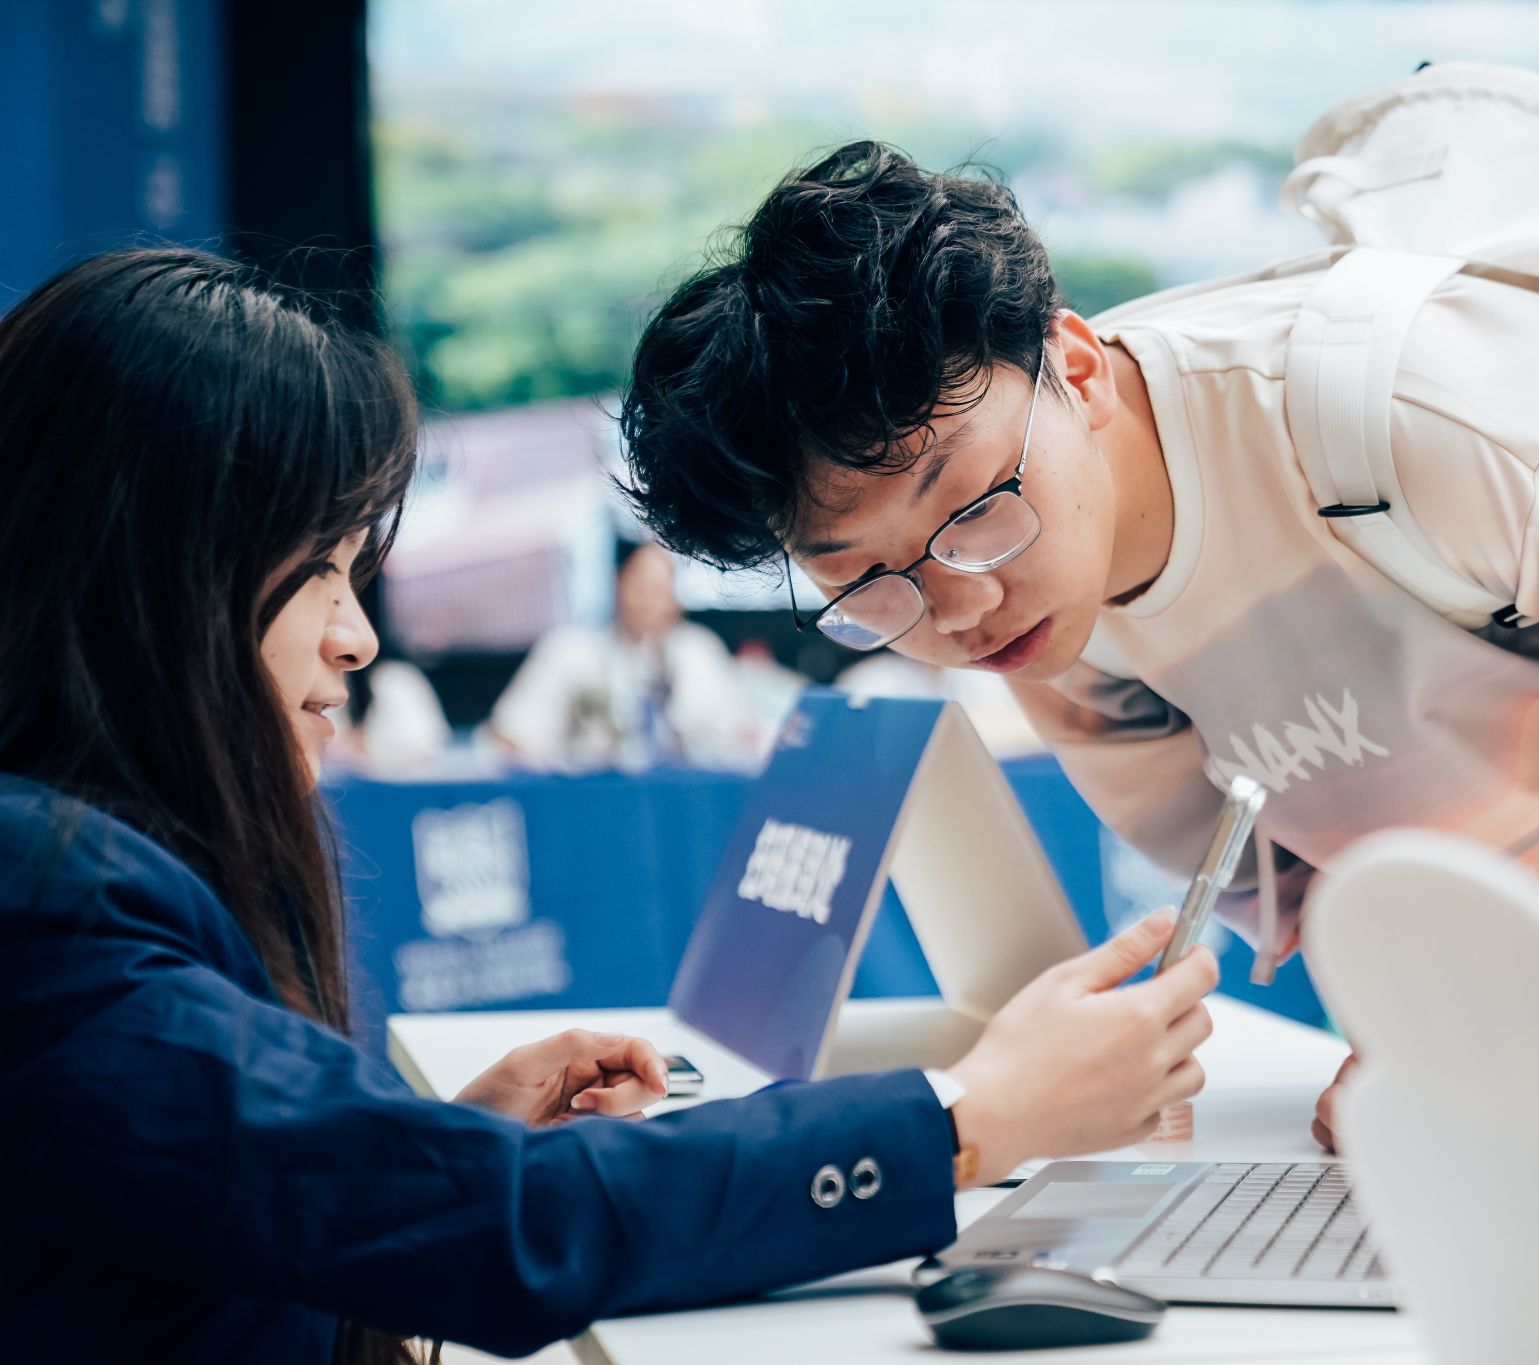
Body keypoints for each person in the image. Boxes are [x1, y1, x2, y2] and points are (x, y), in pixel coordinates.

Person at [612, 141, 1539, 1147]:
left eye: (971, 509)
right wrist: (1418, 1054)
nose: (959, 609)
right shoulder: (1056, 636)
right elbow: (1325, 880)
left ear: (1075, 365)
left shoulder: (1418, 415)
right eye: (869, 585)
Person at [0, 248, 1218, 1364]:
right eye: (319, 567)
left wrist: (435, 1151)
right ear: (155, 574)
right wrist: (969, 1119)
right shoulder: (53, 914)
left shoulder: (70, 871)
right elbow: (509, 1226)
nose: (356, 638)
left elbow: (231, 1220)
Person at [490, 538, 750, 769]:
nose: (649, 602)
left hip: (686, 799)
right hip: (591, 798)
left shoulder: (700, 653)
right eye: (640, 587)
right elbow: (511, 734)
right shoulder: (570, 651)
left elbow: (744, 736)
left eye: (660, 589)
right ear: (618, 583)